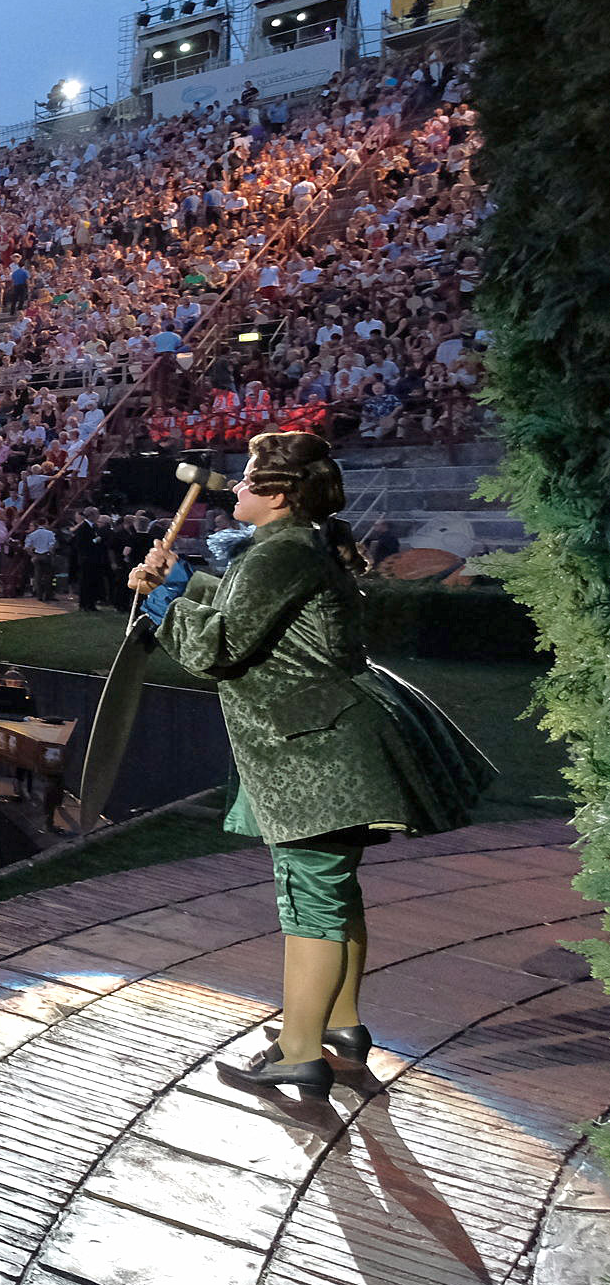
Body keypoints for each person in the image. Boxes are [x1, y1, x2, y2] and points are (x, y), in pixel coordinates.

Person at [133, 431, 493, 1097]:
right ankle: (339, 1024)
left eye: (246, 479)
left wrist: (161, 603)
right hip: (329, 740)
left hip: (315, 751)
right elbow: (253, 608)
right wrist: (183, 579)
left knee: (309, 899)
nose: (234, 488)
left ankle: (299, 1050)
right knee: (332, 892)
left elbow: (217, 646)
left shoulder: (279, 553)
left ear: (278, 494)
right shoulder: (288, 547)